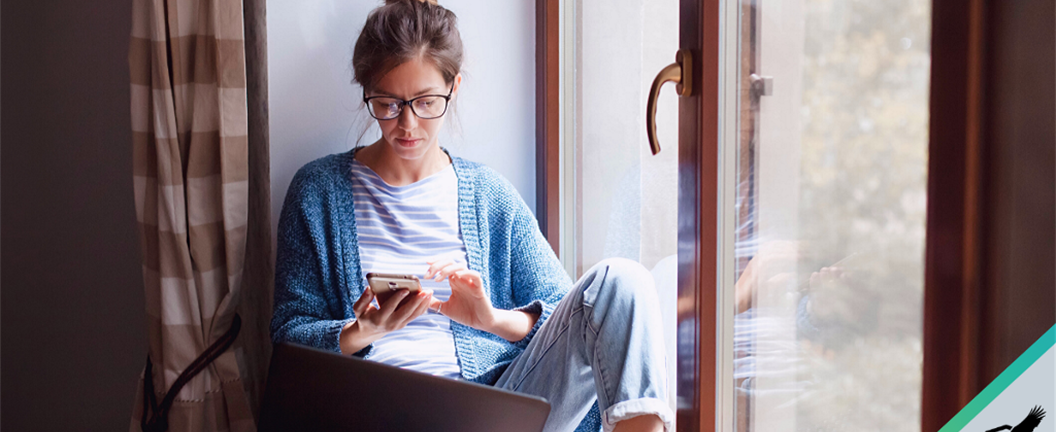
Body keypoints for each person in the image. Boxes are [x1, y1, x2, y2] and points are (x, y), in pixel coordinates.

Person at [269, 1, 672, 431]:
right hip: (373, 412)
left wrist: (490, 319)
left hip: (491, 412)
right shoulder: (317, 192)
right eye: (388, 103)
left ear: (453, 87)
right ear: (367, 91)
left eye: (426, 102)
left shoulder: (489, 195)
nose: (407, 124)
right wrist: (360, 331)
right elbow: (288, 337)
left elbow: (571, 316)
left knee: (622, 281)